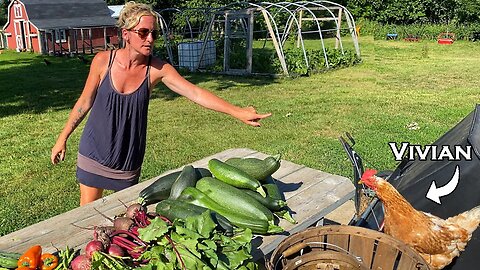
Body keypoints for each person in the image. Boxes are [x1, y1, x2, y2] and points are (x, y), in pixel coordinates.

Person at [50, 1, 271, 206]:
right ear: (126, 34)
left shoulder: (157, 70)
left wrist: (237, 112)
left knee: (127, 221)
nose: (150, 39)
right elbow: (84, 102)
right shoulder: (102, 62)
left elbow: (194, 92)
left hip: (127, 159)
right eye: (143, 32)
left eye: (153, 33)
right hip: (93, 153)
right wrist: (62, 138)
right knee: (88, 218)